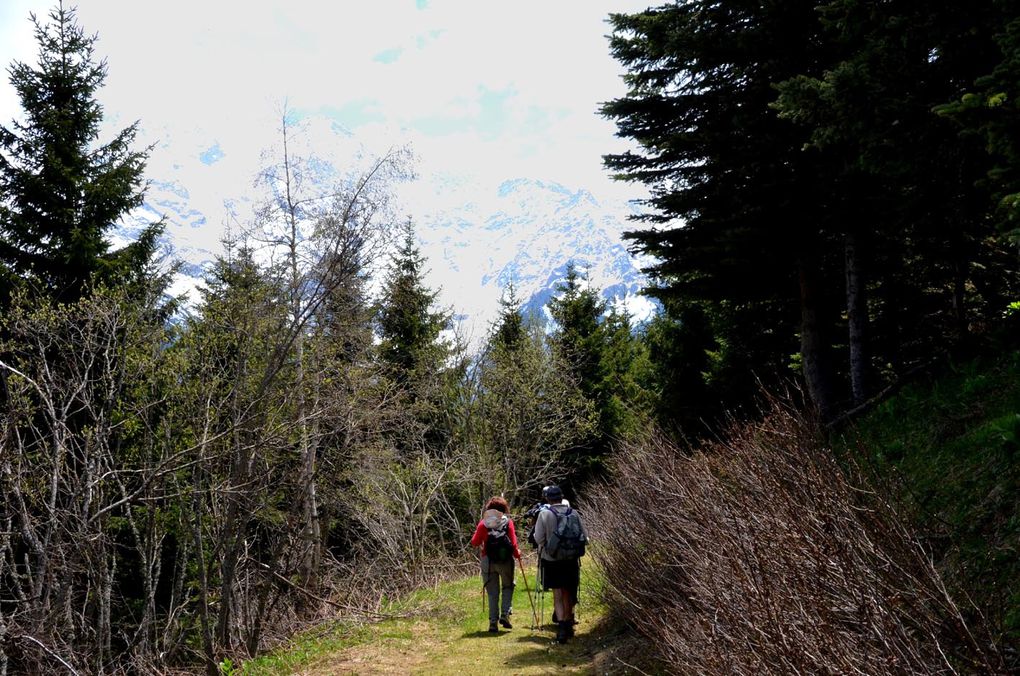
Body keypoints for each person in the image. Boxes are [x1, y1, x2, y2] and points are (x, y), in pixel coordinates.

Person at [533, 484, 587, 644]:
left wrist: (549, 547)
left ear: (548, 499)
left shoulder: (544, 514)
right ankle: (569, 623)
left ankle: (562, 628)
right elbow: (585, 536)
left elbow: (539, 538)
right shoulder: (574, 513)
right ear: (561, 497)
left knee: (557, 593)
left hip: (552, 560)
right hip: (571, 560)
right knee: (568, 591)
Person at [470, 496, 522, 632]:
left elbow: (474, 542)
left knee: (492, 592)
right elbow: (513, 542)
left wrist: (483, 543)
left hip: (488, 560)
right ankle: (505, 614)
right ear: (503, 509)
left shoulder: (483, 523)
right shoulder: (508, 522)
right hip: (505, 560)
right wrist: (517, 554)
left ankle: (493, 622)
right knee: (508, 586)